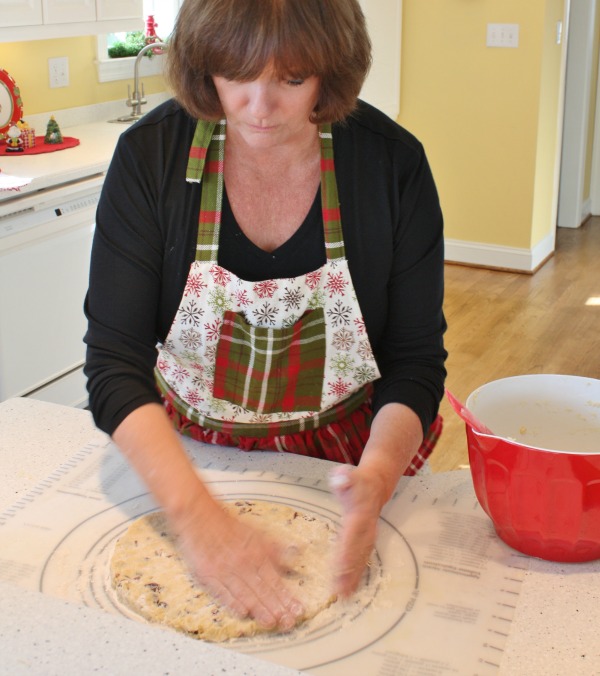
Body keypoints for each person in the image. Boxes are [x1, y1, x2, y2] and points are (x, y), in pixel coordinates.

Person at [84, 0, 447, 632]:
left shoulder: (391, 165)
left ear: (330, 75)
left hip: (348, 456)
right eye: (236, 74)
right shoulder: (152, 158)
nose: (259, 108)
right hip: (185, 454)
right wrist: (199, 519)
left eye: (292, 78)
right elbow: (114, 364)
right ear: (206, 68)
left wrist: (379, 477)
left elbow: (414, 360)